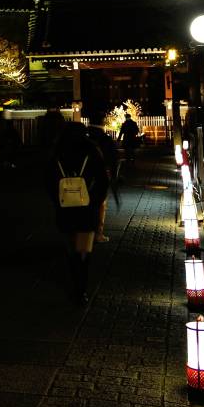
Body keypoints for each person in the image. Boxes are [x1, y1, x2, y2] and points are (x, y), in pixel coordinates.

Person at [45, 120, 109, 304]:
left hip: (65, 210)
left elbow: (48, 180)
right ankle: (82, 289)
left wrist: (57, 200)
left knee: (71, 249)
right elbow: (103, 180)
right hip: (86, 209)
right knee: (84, 251)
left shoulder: (57, 153)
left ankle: (75, 282)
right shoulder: (91, 151)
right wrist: (95, 200)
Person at [86, 122, 119, 240]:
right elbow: (113, 159)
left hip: (84, 178)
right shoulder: (106, 140)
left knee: (87, 206)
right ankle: (98, 233)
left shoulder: (85, 140)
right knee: (100, 205)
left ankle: (85, 233)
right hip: (101, 177)